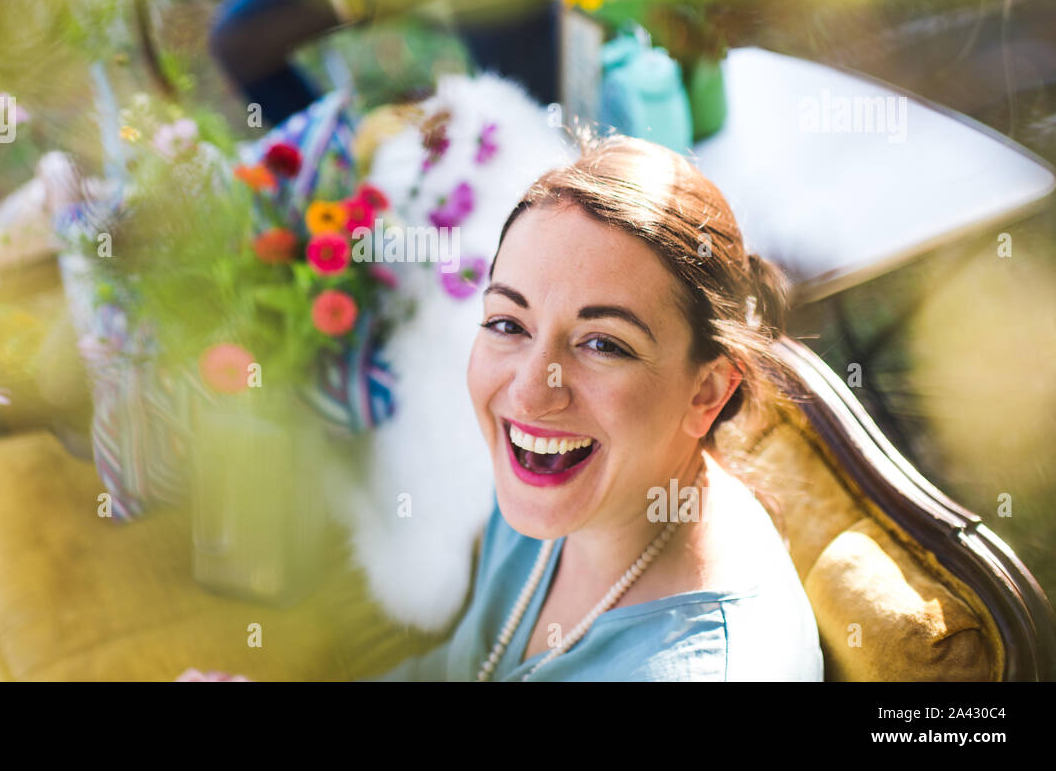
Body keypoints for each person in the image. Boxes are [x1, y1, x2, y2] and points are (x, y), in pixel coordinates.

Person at [179, 136, 824, 682]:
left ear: (706, 391)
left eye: (603, 343)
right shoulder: (556, 476)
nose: (528, 393)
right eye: (509, 323)